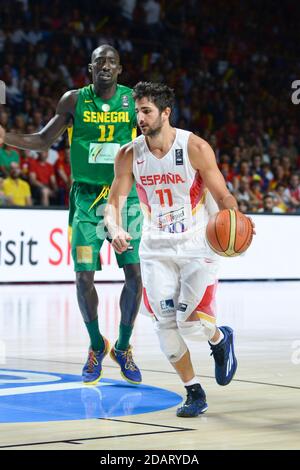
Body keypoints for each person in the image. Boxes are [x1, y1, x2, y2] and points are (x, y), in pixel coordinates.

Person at [105, 82, 255, 417]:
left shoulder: (195, 147)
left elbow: (222, 194)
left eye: (146, 111)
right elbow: (113, 202)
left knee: (191, 325)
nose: (140, 118)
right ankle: (193, 392)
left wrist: (233, 215)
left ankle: (219, 338)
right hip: (155, 246)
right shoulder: (129, 154)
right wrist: (114, 229)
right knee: (165, 327)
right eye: (137, 111)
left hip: (196, 243)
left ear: (165, 113)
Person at [0, 45, 143, 386]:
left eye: (111, 62)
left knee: (135, 276)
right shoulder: (74, 100)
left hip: (124, 197)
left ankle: (122, 347)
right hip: (85, 198)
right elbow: (44, 140)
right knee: (83, 278)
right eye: (99, 62)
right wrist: (6, 138)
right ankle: (97, 344)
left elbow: (153, 140)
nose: (105, 66)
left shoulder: (132, 101)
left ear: (120, 69)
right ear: (90, 68)